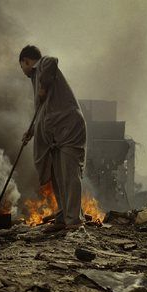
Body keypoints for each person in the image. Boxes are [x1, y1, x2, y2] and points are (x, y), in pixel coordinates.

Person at [19, 45, 87, 230]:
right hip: (55, 134)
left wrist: (43, 87)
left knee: (69, 174)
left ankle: (73, 221)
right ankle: (63, 216)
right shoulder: (35, 78)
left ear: (26, 61)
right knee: (57, 175)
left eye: (22, 66)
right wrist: (31, 131)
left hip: (69, 129)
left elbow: (52, 60)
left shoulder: (43, 66)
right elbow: (41, 112)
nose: (23, 72)